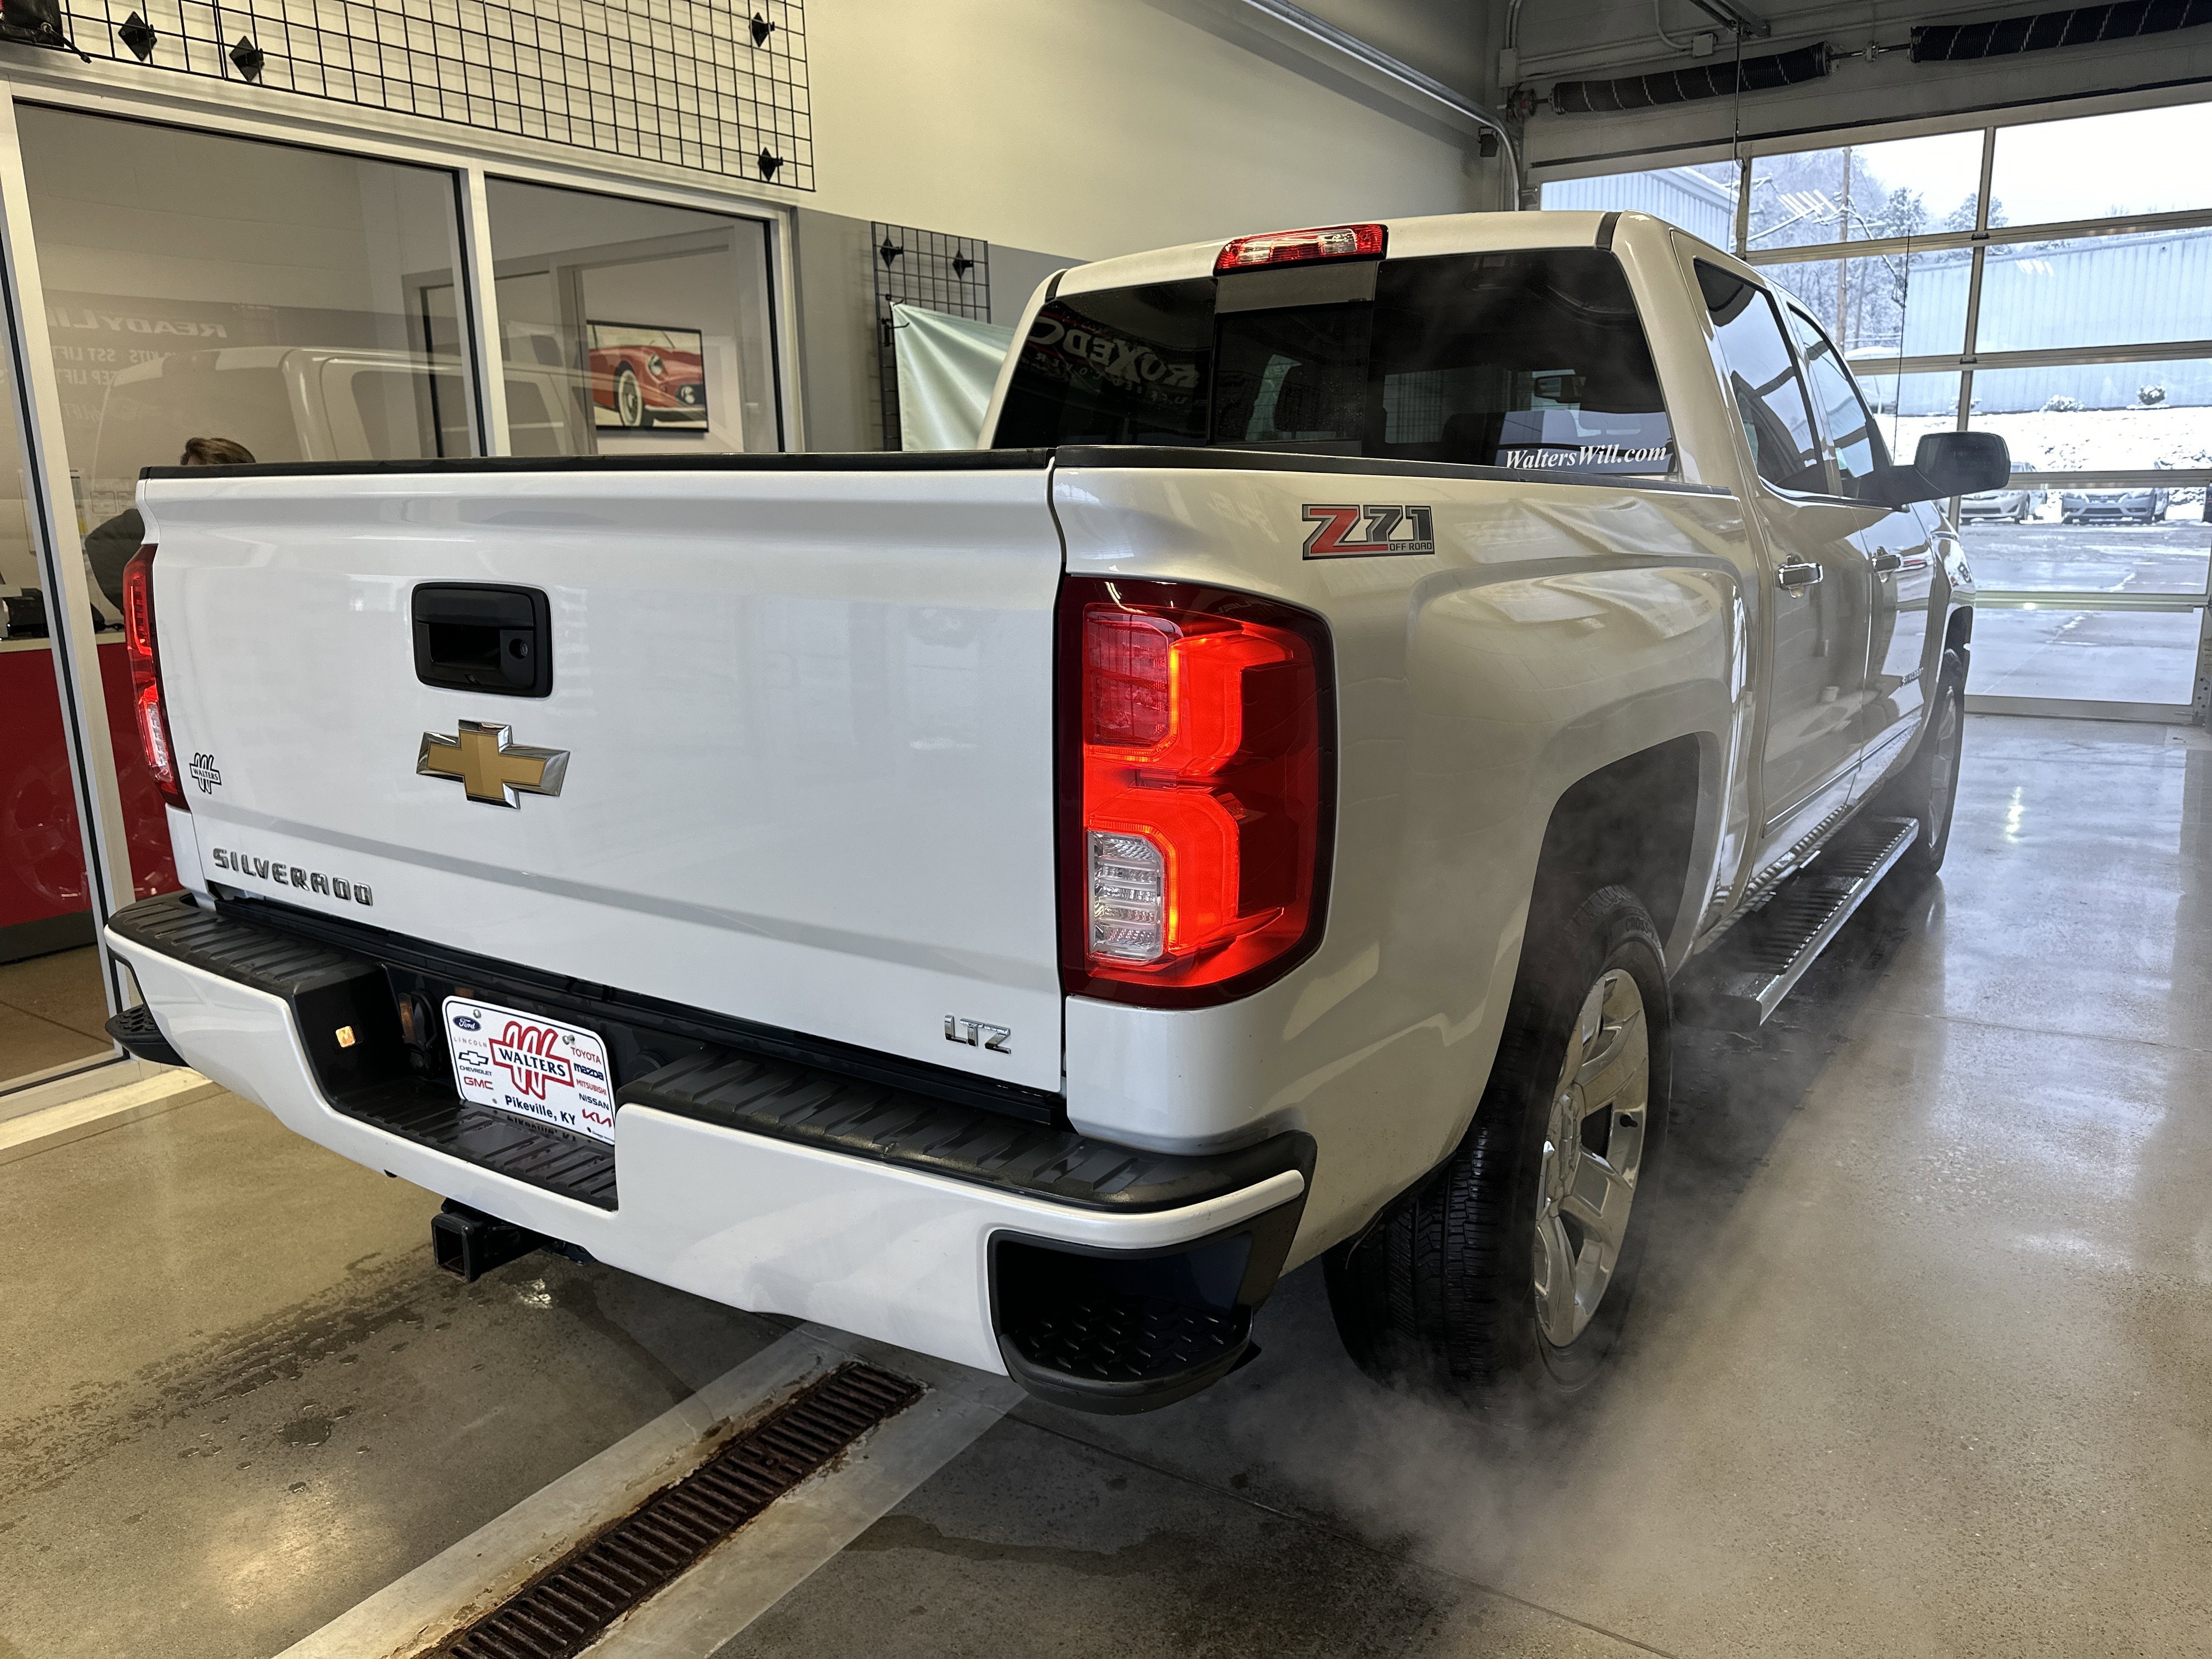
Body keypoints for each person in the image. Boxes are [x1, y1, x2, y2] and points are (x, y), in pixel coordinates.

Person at [85, 436, 255, 610]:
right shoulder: (166, 524)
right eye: (193, 482)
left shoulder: (261, 532)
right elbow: (101, 542)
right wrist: (145, 607)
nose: (203, 493)